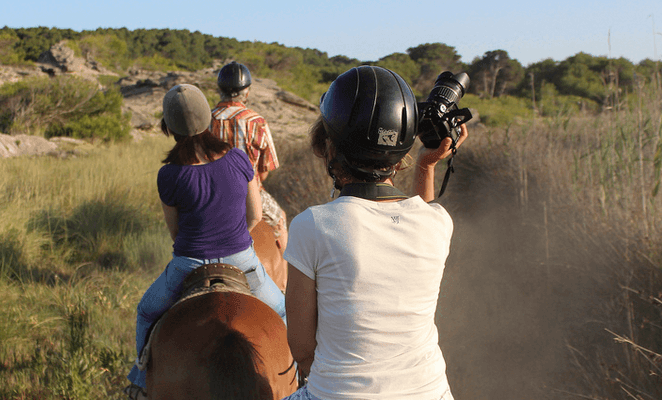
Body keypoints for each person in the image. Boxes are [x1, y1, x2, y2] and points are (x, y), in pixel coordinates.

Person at [282, 66, 468, 400]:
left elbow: (301, 347)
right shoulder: (438, 223)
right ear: (403, 150)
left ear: (329, 148)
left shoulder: (312, 226)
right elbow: (413, 219)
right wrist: (426, 166)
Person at [125, 84, 287, 400]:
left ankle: (140, 380)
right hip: (241, 258)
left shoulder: (169, 175)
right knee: (280, 309)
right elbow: (254, 216)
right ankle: (298, 372)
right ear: (207, 118)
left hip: (189, 263)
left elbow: (175, 233)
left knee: (146, 311)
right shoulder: (239, 159)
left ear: (168, 127)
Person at [209, 61, 288, 255]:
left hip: (210, 193)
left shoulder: (206, 120)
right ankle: (285, 281)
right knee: (280, 219)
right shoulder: (256, 121)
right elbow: (264, 171)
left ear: (220, 90)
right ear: (247, 92)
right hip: (249, 194)